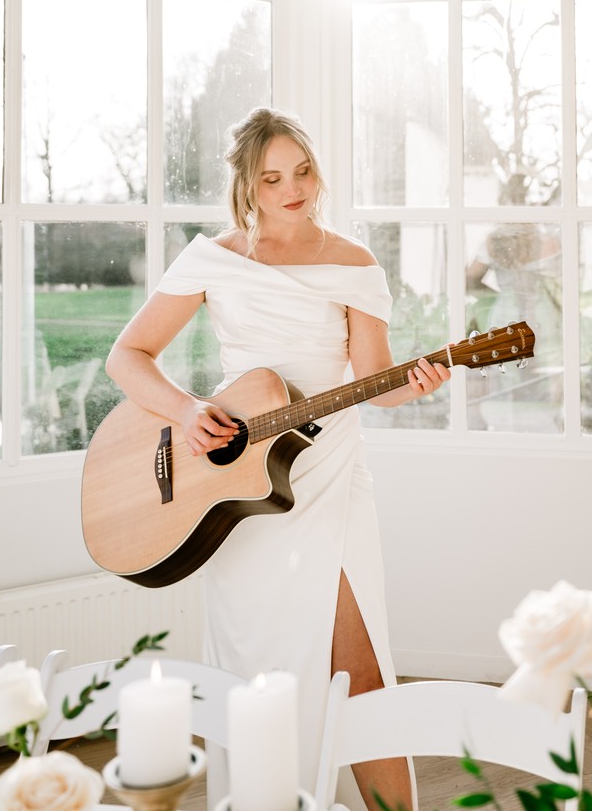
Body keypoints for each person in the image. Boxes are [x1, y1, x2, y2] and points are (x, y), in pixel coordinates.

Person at [106, 107, 450, 811]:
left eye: (302, 171)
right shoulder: (213, 260)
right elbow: (127, 356)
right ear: (247, 186)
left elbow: (373, 380)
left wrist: (418, 381)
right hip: (237, 491)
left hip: (331, 478)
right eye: (273, 178)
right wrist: (186, 412)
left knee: (361, 675)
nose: (293, 188)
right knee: (253, 674)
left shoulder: (355, 263)